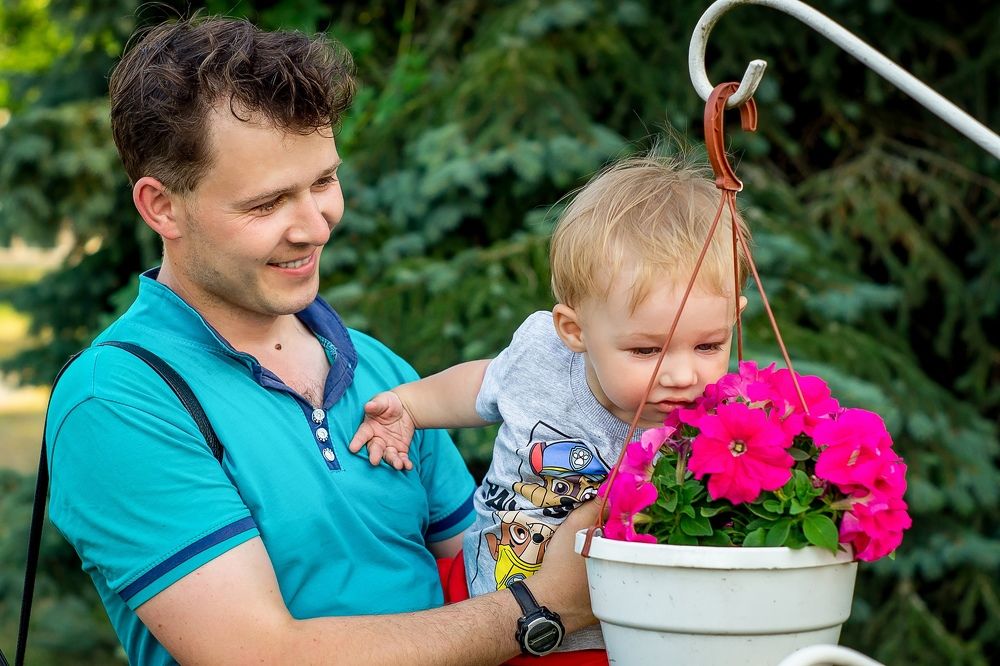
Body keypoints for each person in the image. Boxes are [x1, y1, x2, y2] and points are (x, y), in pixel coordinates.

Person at [44, 15, 599, 666]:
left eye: (323, 182)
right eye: (267, 204)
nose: (315, 226)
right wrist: (544, 607)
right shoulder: (117, 400)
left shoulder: (376, 367)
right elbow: (259, 655)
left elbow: (480, 567)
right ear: (162, 206)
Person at [350, 155, 751, 657]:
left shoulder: (724, 422)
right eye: (646, 350)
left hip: (608, 637)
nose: (682, 375)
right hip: (483, 586)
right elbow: (484, 384)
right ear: (575, 331)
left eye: (709, 345)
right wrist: (409, 405)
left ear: (734, 317)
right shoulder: (543, 359)